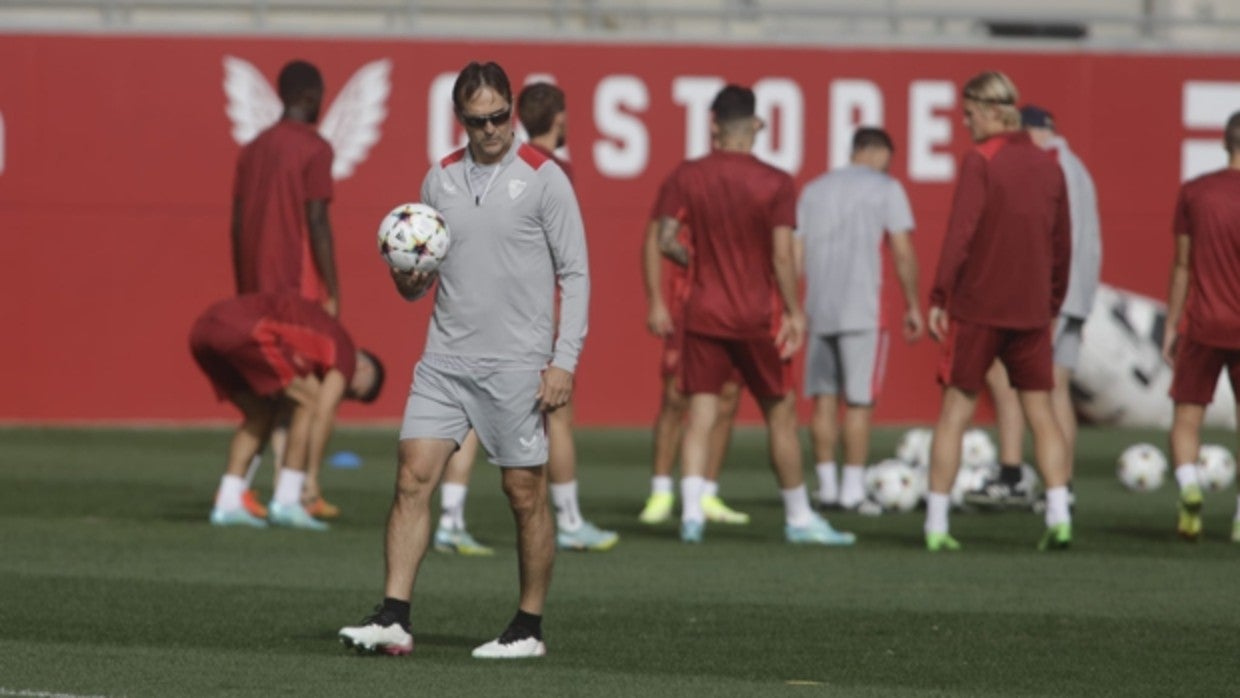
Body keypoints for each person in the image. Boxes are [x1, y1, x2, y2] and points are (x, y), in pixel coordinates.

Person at [338, 61, 589, 659]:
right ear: (462, 120)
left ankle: (528, 628)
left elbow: (575, 274)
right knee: (410, 478)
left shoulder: (544, 178)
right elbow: (424, 280)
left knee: (523, 493)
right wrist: (407, 281)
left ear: (511, 110)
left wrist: (564, 361)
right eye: (479, 120)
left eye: (500, 116)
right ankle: (394, 617)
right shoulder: (439, 180)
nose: (492, 129)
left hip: (518, 363)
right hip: (445, 360)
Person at [656, 84, 854, 546]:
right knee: (781, 414)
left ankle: (691, 517)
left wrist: (698, 264)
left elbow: (666, 239)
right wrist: (794, 310)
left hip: (704, 310)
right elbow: (783, 257)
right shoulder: (775, 182)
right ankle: (800, 518)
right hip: (755, 314)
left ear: (713, 125)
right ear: (757, 125)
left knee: (700, 413)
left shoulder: (688, 175)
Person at [432, 82, 617, 555]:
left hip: (469, 319)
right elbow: (563, 260)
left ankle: (450, 519)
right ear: (559, 119)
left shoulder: (479, 170)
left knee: (466, 417)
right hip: (527, 320)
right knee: (557, 413)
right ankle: (570, 518)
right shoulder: (547, 171)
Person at [924, 71, 1072, 552]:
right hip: (1030, 310)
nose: (965, 124)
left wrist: (940, 295)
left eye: (968, 114)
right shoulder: (1050, 165)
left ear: (989, 112)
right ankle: (1058, 513)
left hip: (978, 308)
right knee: (1042, 413)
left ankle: (936, 524)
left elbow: (959, 235)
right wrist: (1050, 301)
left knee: (954, 413)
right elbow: (1061, 243)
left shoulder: (980, 160)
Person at [966, 104, 1103, 510]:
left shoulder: (1052, 161)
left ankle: (1012, 474)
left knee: (1009, 376)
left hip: (1050, 292)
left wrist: (1045, 294)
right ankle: (1062, 486)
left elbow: (1053, 233)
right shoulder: (1073, 164)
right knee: (1055, 386)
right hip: (1073, 290)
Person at [230, 59, 342, 520]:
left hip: (255, 285)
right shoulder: (313, 147)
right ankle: (300, 490)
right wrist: (333, 287)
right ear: (312, 96)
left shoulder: (253, 148)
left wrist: (243, 287)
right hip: (296, 287)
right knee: (315, 389)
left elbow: (237, 224)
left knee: (274, 396)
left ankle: (251, 489)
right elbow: (316, 220)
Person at [796, 127, 922, 514]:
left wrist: (795, 305)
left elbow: (794, 252)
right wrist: (913, 303)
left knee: (822, 402)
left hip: (819, 307)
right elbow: (901, 251)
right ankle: (852, 490)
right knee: (859, 403)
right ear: (880, 152)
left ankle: (828, 487)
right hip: (863, 308)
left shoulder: (813, 190)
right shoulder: (886, 188)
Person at [190, 293, 384, 530]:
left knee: (261, 413)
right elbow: (323, 411)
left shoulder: (316, 336)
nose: (343, 394)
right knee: (310, 401)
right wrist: (311, 477)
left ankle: (228, 503)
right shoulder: (345, 354)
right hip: (244, 329)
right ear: (363, 368)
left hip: (203, 332)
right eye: (352, 393)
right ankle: (287, 501)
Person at [640, 200, 748, 526]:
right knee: (675, 398)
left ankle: (707, 492)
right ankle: (661, 491)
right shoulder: (692, 188)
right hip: (688, 308)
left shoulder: (753, 192)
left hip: (736, 309)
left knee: (727, 399)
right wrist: (656, 301)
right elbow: (654, 238)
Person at [1162, 110, 1240, 543]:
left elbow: (1181, 266)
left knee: (1187, 418)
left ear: (1225, 143)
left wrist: (1171, 324)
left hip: (1204, 323)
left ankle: (1190, 487)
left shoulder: (1196, 192)